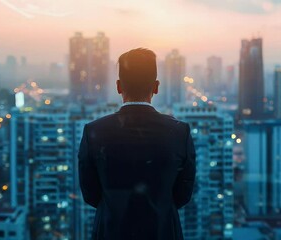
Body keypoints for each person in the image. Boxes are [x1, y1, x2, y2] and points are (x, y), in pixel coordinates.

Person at [78, 48, 196, 240]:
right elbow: (183, 195)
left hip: (111, 232)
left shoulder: (94, 132)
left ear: (118, 86)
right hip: (163, 231)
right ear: (156, 87)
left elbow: (91, 195)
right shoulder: (179, 132)